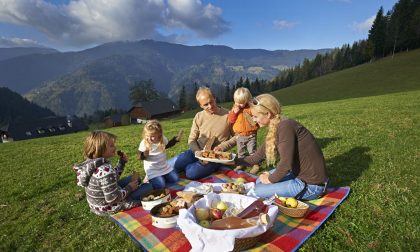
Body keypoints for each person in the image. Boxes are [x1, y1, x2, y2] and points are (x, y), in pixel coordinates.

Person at [234, 94, 328, 200]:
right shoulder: (277, 126)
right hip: (297, 174)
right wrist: (232, 160)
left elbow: (285, 163)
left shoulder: (285, 127)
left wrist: (270, 179)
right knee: (259, 181)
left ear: (268, 114)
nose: (254, 120)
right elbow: (256, 158)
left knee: (258, 190)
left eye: (255, 116)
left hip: (312, 186)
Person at [73, 131, 153, 216]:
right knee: (149, 187)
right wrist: (130, 188)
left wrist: (121, 163)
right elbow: (113, 199)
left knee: (136, 179)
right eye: (111, 146)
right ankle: (131, 197)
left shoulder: (92, 163)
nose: (115, 148)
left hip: (97, 204)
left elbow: (112, 179)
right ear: (100, 149)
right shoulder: (105, 170)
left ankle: (132, 189)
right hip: (108, 207)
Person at [168, 87, 236, 180]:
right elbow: (191, 139)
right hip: (195, 152)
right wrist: (197, 152)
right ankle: (183, 167)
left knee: (191, 173)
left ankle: (186, 168)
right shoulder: (199, 116)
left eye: (211, 102)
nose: (210, 106)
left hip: (214, 157)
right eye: (206, 104)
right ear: (201, 106)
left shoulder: (228, 115)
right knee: (168, 165)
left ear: (215, 98)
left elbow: (236, 137)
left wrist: (222, 147)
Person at [138, 120, 180, 189]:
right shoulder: (144, 143)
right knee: (161, 185)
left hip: (164, 167)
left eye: (152, 136)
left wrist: (174, 140)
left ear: (159, 134)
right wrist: (144, 155)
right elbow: (139, 156)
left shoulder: (162, 139)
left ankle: (161, 177)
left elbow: (167, 145)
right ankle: (149, 178)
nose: (149, 138)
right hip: (153, 170)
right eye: (147, 136)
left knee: (175, 179)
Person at [228, 87, 260, 174]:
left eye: (242, 103)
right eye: (237, 102)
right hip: (240, 135)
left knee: (252, 151)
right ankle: (241, 163)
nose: (239, 105)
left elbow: (257, 113)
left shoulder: (251, 108)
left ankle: (256, 164)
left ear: (247, 100)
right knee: (240, 151)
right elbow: (230, 120)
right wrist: (234, 113)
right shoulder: (235, 109)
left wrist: (252, 104)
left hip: (251, 134)